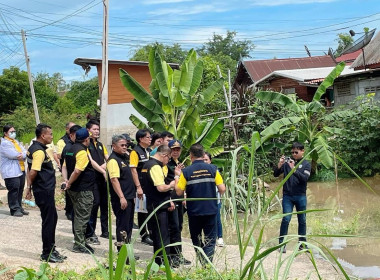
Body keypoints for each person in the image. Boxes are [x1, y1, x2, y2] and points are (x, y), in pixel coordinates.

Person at [175, 143, 225, 264]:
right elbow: (222, 189)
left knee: (196, 238)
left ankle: (202, 260)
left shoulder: (186, 172)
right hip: (211, 210)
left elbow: (178, 192)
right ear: (203, 155)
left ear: (191, 155)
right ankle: (207, 264)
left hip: (194, 211)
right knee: (210, 239)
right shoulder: (213, 169)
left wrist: (177, 176)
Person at [25, 124, 66, 263]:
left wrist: (29, 188)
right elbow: (33, 171)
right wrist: (28, 188)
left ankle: (51, 249)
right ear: (43, 136)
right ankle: (47, 253)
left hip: (44, 190)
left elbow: (28, 168)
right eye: (50, 134)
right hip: (43, 191)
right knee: (49, 221)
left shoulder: (35, 148)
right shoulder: (39, 152)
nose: (52, 136)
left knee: (52, 219)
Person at [141, 145, 176, 266]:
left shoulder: (146, 164)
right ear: (164, 155)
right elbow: (161, 188)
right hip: (159, 205)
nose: (168, 161)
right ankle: (164, 262)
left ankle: (158, 261)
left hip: (151, 204)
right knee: (163, 235)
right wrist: (171, 185)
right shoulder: (155, 166)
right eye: (168, 158)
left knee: (156, 235)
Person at [274, 142, 311, 253]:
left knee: (302, 220)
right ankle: (281, 245)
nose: (294, 154)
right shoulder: (287, 163)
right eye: (292, 152)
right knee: (286, 219)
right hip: (288, 196)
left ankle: (302, 244)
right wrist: (280, 164)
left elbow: (305, 178)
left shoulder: (306, 164)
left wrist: (294, 169)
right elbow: (275, 174)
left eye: (296, 152)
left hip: (300, 196)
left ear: (302, 151)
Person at [64, 127, 96, 254]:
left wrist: (67, 181)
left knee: (78, 216)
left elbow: (65, 166)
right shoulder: (82, 152)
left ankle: (80, 241)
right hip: (83, 190)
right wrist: (69, 182)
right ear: (86, 139)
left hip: (74, 189)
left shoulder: (70, 149)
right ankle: (79, 244)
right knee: (82, 217)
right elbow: (78, 170)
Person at [107, 135, 136, 252]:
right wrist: (122, 197)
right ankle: (122, 253)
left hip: (129, 196)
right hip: (121, 198)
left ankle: (127, 251)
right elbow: (114, 180)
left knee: (128, 227)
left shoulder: (124, 157)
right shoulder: (113, 160)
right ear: (114, 146)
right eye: (122, 145)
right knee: (122, 226)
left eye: (126, 145)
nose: (125, 147)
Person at [165, 139, 190, 265]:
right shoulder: (167, 164)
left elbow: (182, 183)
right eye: (173, 149)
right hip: (171, 198)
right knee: (173, 227)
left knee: (179, 226)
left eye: (178, 149)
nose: (175, 152)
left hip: (179, 198)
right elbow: (167, 183)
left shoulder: (179, 163)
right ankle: (172, 256)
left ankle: (178, 254)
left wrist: (185, 195)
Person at [85, 120, 109, 245]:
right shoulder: (86, 145)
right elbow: (91, 162)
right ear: (88, 130)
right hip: (93, 178)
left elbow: (108, 158)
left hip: (103, 179)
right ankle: (91, 232)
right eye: (94, 129)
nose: (97, 131)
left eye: (98, 129)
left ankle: (105, 230)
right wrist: (103, 170)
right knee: (95, 205)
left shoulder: (100, 144)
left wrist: (104, 168)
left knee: (105, 204)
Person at [130, 129, 153, 246]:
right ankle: (144, 235)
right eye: (148, 137)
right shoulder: (135, 152)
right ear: (141, 139)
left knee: (150, 210)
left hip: (150, 185)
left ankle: (151, 232)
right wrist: (138, 187)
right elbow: (133, 170)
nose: (150, 139)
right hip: (141, 185)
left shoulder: (149, 151)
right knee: (142, 210)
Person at [0, 125, 28, 217]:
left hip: (20, 169)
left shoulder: (15, 142)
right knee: (14, 190)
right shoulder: (5, 143)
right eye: (11, 132)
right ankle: (14, 209)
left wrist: (22, 154)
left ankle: (19, 207)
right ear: (5, 133)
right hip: (11, 171)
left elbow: (25, 152)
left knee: (20, 189)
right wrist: (21, 154)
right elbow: (13, 155)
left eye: (14, 131)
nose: (13, 133)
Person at [60, 125, 82, 221]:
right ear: (72, 135)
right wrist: (66, 179)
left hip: (72, 177)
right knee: (71, 197)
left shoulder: (75, 146)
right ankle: (69, 212)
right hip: (71, 176)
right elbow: (65, 164)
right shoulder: (69, 147)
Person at [204, 152, 224, 247]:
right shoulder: (200, 171)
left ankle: (220, 237)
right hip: (204, 201)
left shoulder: (214, 170)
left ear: (210, 160)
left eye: (206, 160)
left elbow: (221, 187)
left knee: (217, 219)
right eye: (203, 160)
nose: (205, 161)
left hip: (215, 199)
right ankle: (209, 239)